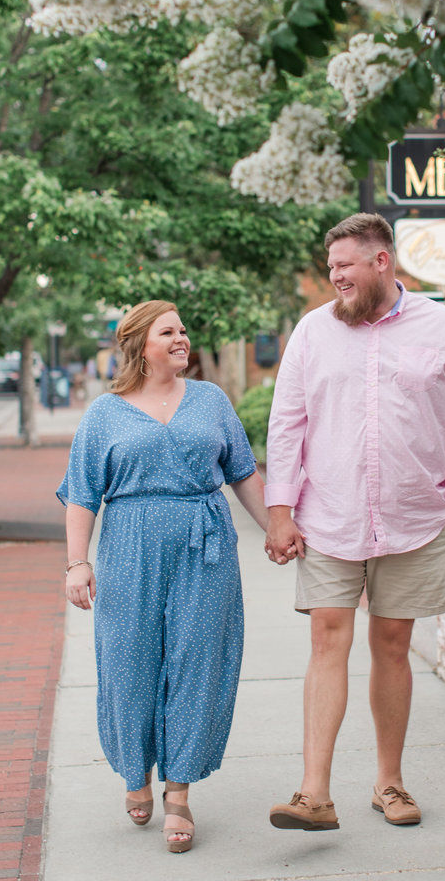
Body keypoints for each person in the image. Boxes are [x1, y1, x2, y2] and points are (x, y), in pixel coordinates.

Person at [263, 213, 445, 831]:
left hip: (417, 516)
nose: (335, 275)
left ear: (382, 261)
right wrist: (280, 511)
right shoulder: (312, 332)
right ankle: (314, 792)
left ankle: (389, 783)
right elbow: (286, 422)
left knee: (392, 647)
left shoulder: (444, 329)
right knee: (326, 639)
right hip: (329, 516)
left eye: (345, 265)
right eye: (331, 266)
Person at [60, 300, 276, 854]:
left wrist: (275, 527)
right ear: (139, 344)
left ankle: (178, 790)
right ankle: (136, 772)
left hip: (204, 545)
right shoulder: (104, 414)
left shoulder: (210, 400)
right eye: (168, 331)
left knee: (197, 660)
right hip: (129, 544)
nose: (182, 339)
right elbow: (82, 494)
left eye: (183, 330)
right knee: (128, 660)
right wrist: (77, 562)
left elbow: (243, 473)